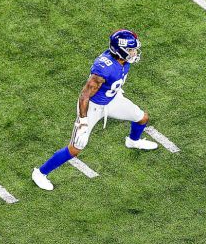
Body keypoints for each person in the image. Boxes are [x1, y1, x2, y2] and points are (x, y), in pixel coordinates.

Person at [33, 29, 157, 191]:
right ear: (120, 51)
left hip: (112, 100)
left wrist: (116, 90)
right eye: (131, 50)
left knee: (142, 118)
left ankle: (133, 141)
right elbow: (84, 96)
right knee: (76, 148)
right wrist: (83, 120)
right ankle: (40, 173)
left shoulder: (121, 61)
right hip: (93, 107)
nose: (134, 53)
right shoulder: (104, 69)